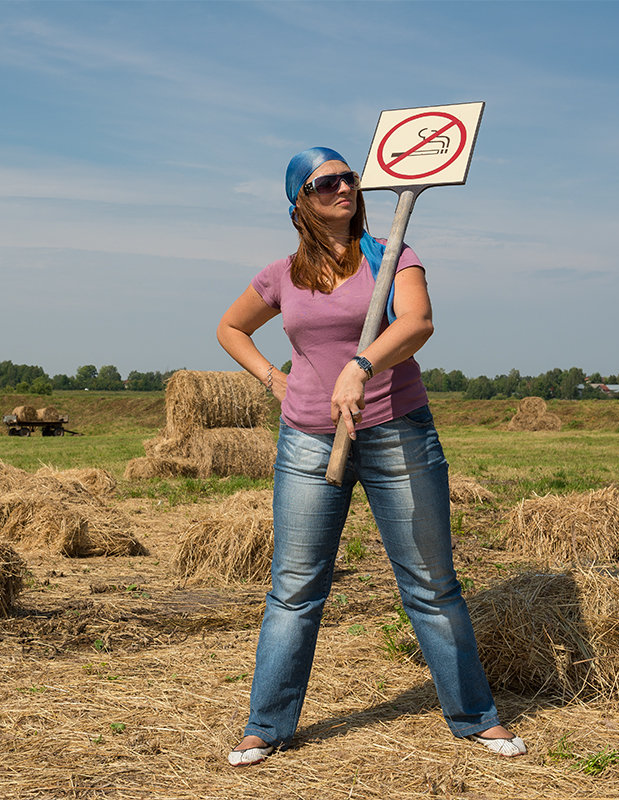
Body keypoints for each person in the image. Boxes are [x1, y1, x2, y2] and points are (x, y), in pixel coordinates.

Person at [216, 146, 525, 767]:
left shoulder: (393, 254)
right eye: (324, 182)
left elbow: (417, 323)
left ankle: (475, 717)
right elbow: (230, 328)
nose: (342, 188)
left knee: (431, 585)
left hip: (395, 431)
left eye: (348, 177)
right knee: (295, 589)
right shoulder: (281, 274)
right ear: (299, 201)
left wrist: (361, 365)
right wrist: (274, 380)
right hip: (308, 439)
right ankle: (266, 726)